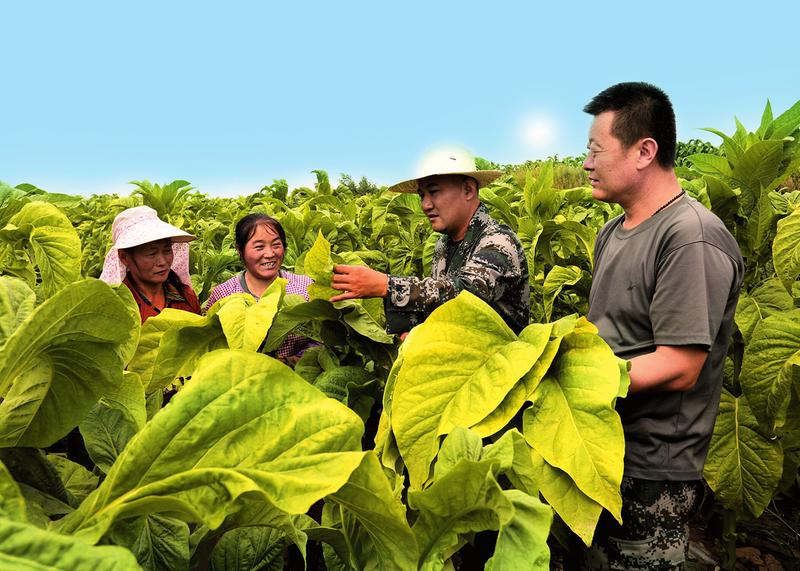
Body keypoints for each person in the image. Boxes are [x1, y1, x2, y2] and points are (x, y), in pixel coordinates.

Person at [582, 82, 744, 570]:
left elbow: (678, 366)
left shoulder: (690, 237)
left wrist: (580, 380)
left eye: (595, 150)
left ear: (644, 151)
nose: (586, 162)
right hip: (603, 449)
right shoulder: (614, 230)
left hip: (652, 470)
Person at [330, 148, 529, 335]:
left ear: (468, 190)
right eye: (422, 195)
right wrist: (418, 331)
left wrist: (387, 285)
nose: (425, 205)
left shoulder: (499, 241)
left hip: (504, 363)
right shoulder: (443, 246)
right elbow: (440, 308)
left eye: (434, 192)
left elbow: (467, 293)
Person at [204, 213, 314, 363]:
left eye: (276, 245)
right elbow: (210, 347)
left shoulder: (304, 287)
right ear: (239, 250)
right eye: (259, 247)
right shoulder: (223, 294)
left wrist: (294, 360)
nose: (270, 254)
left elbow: (322, 338)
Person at [100, 205, 201, 322]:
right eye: (151, 254)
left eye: (167, 250)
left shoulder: (186, 297)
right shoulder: (116, 307)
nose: (162, 262)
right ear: (124, 258)